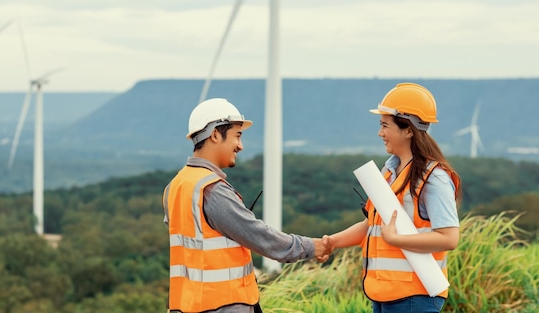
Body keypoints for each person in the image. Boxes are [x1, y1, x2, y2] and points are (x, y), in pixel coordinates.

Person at [163, 98, 329, 313]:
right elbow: (261, 237)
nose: (240, 146)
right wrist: (312, 247)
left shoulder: (175, 186)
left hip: (187, 305)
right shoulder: (212, 190)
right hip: (222, 305)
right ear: (214, 134)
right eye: (237, 135)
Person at [323, 82, 461, 313]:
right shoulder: (388, 173)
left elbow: (449, 238)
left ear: (408, 129)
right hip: (384, 295)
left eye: (385, 125)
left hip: (415, 297)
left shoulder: (433, 179)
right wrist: (332, 243)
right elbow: (372, 226)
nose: (380, 133)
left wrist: (397, 240)